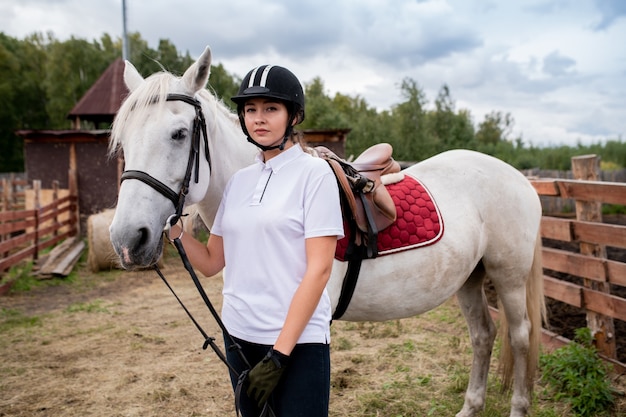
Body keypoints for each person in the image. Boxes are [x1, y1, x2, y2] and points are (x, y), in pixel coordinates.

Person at [170, 65, 344, 417]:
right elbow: (210, 262)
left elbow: (320, 270)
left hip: (297, 344)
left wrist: (279, 355)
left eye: (270, 109)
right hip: (238, 337)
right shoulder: (238, 182)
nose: (258, 119)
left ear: (293, 116)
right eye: (250, 110)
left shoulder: (315, 175)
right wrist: (172, 230)